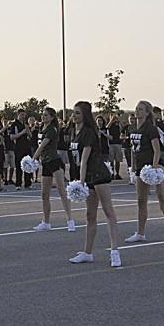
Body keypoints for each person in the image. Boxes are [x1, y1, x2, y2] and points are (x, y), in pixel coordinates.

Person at [67, 101, 121, 267]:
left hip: (97, 174)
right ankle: (87, 253)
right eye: (73, 112)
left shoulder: (89, 133)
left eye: (77, 113)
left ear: (85, 115)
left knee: (108, 212)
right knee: (90, 215)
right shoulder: (74, 132)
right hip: (87, 176)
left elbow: (84, 159)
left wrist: (81, 183)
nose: (74, 116)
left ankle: (115, 252)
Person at [124, 101, 164, 243]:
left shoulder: (151, 129)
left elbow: (157, 150)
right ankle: (140, 233)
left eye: (140, 109)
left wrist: (154, 168)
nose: (137, 111)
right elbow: (133, 149)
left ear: (147, 113)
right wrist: (133, 167)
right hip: (141, 167)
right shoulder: (132, 129)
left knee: (161, 195)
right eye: (136, 109)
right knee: (141, 200)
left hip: (154, 165)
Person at [31, 107, 75, 232]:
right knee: (44, 194)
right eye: (42, 115)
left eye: (46, 115)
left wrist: (33, 159)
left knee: (62, 191)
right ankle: (46, 222)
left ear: (51, 117)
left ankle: (70, 220)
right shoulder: (41, 128)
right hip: (45, 163)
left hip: (54, 162)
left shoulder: (52, 129)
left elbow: (42, 146)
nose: (43, 117)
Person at [9, 109, 33, 190]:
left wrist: (28, 131)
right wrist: (22, 132)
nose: (23, 116)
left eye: (24, 115)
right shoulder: (14, 124)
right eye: (22, 115)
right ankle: (18, 184)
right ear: (18, 115)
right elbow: (12, 137)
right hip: (18, 148)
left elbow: (31, 136)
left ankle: (28, 183)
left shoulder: (25, 124)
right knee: (19, 166)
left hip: (27, 147)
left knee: (28, 165)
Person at [106, 113, 123, 179]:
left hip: (118, 143)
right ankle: (112, 173)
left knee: (118, 160)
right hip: (111, 143)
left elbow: (122, 128)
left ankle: (117, 174)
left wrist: (119, 120)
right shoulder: (109, 124)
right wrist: (111, 120)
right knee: (111, 161)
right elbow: (107, 127)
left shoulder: (118, 124)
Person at [2, 119, 15, 185]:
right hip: (5, 149)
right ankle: (5, 179)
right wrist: (5, 127)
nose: (6, 123)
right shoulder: (2, 130)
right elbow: (0, 132)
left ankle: (10, 179)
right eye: (4, 122)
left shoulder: (11, 129)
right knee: (5, 165)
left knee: (12, 165)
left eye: (6, 122)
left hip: (12, 148)